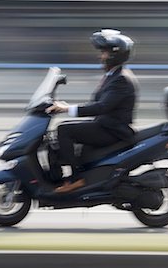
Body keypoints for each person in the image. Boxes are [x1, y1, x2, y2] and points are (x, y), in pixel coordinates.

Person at [46, 29, 139, 193]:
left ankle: (76, 179)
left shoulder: (121, 79)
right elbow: (96, 104)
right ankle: (75, 176)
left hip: (113, 130)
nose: (100, 56)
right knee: (59, 136)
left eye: (103, 53)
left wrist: (68, 109)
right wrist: (65, 105)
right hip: (105, 125)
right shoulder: (114, 75)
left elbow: (102, 107)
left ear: (114, 55)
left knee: (64, 130)